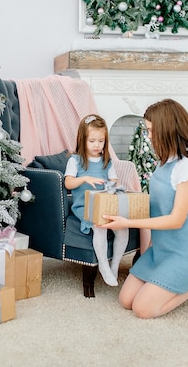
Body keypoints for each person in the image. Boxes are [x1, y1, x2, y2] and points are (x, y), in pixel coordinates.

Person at [100, 99, 188, 318]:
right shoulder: (164, 162)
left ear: (167, 129)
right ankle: (177, 280)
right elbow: (156, 207)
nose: (148, 136)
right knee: (126, 300)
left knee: (143, 310)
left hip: (186, 252)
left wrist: (127, 223)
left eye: (151, 131)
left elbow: (176, 220)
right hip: (162, 250)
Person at [64, 114, 130, 286]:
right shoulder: (75, 160)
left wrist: (112, 185)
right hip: (85, 206)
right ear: (82, 139)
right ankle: (103, 266)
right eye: (92, 141)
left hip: (105, 204)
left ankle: (114, 265)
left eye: (101, 141)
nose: (97, 145)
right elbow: (68, 183)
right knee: (99, 226)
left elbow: (114, 181)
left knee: (122, 228)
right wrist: (85, 179)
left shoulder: (106, 161)